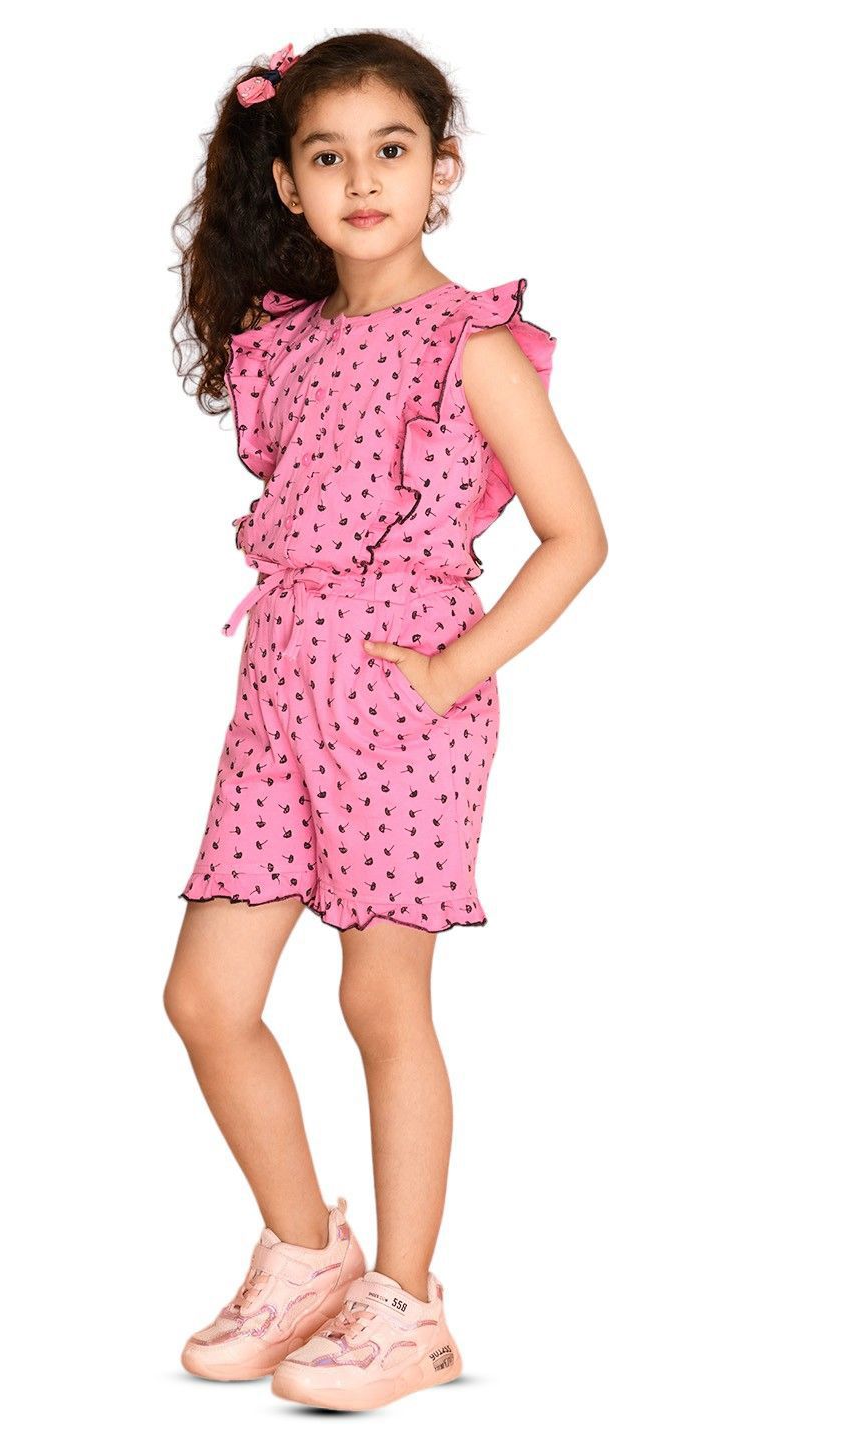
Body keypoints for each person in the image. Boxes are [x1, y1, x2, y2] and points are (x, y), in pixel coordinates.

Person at [163, 31, 607, 1412]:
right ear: (287, 183)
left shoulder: (471, 344)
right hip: (278, 689)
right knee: (206, 998)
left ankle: (408, 1305)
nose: (363, 181)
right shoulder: (284, 345)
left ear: (441, 169)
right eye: (329, 156)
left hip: (405, 706)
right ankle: (308, 1253)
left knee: (378, 997)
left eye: (392, 151)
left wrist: (451, 670)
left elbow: (575, 537)